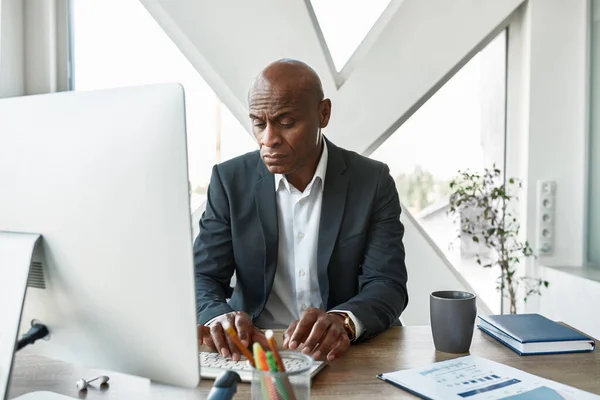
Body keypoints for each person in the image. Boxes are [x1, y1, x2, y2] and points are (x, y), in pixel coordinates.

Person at [194, 59, 408, 362]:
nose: (269, 139)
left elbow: (388, 283)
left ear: (323, 114)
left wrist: (343, 321)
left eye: (286, 122)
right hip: (254, 350)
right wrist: (219, 317)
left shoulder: (371, 181)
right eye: (259, 123)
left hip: (344, 351)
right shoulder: (229, 181)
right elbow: (203, 276)